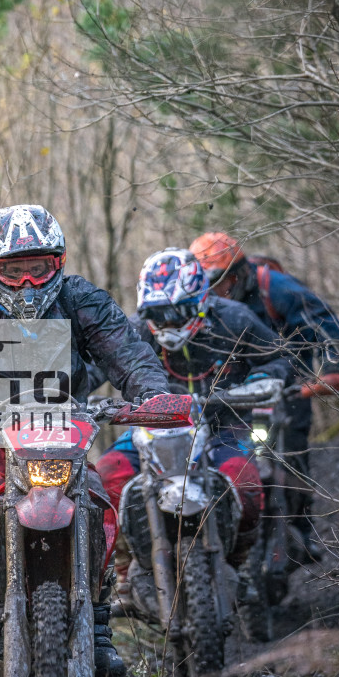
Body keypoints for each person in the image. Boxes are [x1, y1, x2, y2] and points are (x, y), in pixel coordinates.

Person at [0, 204, 172, 677]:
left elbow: (125, 349)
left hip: (60, 426)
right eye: (12, 271)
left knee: (98, 503)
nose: (26, 283)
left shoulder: (81, 298)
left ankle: (98, 624)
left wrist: (152, 394)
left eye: (37, 269)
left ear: (56, 263)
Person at [94, 248, 290, 612]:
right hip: (152, 426)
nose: (167, 324)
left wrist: (263, 379)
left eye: (177, 313)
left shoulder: (234, 318)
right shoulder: (134, 331)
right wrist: (61, 392)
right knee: (106, 479)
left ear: (201, 300)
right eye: (157, 316)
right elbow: (95, 368)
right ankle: (123, 572)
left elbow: (278, 357)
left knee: (244, 481)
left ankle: (237, 563)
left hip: (222, 424)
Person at [190, 231, 339, 560]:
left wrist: (332, 368)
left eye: (220, 281)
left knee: (293, 450)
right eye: (208, 284)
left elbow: (327, 323)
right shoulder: (205, 307)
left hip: (291, 380)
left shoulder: (274, 287)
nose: (216, 291)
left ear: (239, 272)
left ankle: (304, 529)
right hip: (236, 387)